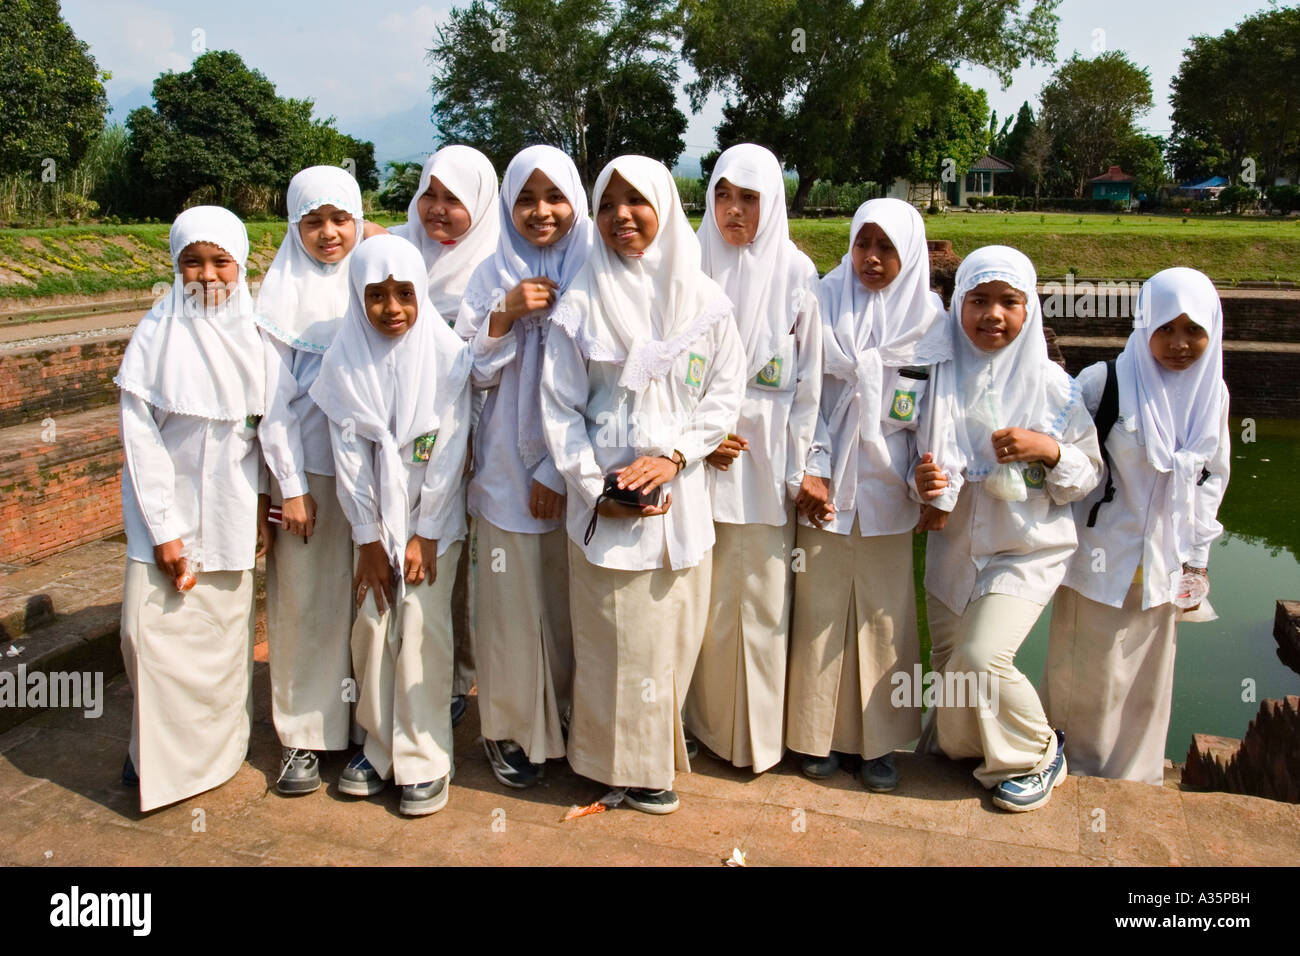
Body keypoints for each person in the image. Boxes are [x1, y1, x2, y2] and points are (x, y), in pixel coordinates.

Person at [540, 155, 746, 814]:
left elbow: (724, 393)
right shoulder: (580, 303)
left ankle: (651, 761)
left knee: (666, 641)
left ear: (664, 206)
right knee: (611, 642)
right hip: (608, 510)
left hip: (679, 509)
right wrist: (596, 485)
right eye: (608, 205)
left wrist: (678, 456)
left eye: (637, 202)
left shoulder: (705, 302)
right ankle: (617, 768)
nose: (622, 217)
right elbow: (559, 408)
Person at [915, 245, 1102, 813]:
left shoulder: (1052, 386)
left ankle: (1039, 753)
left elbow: (1086, 474)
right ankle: (978, 751)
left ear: (1029, 311)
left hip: (1025, 548)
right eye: (979, 301)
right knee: (951, 695)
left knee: (981, 658)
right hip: (952, 550)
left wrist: (1046, 449)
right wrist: (920, 481)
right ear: (958, 306)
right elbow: (909, 455)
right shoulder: (934, 374)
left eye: (1009, 302)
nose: (992, 315)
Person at [785, 198, 949, 792]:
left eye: (887, 248)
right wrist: (812, 468)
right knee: (819, 615)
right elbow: (806, 397)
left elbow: (935, 413)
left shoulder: (930, 321)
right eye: (863, 244)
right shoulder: (823, 301)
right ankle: (815, 733)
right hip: (822, 485)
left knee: (886, 620)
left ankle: (878, 743)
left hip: (888, 490)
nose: (872, 259)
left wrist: (929, 484)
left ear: (910, 253)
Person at [1043, 267, 1230, 786]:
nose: (1179, 344)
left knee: (1147, 685)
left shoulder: (1210, 393)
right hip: (1099, 561)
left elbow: (1213, 477)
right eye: (1166, 328)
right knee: (1085, 680)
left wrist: (1197, 560)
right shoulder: (1107, 381)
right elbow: (1059, 445)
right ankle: (1071, 773)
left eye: (1193, 331)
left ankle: (1134, 782)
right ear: (1144, 324)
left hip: (1163, 569)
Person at [309, 234, 471, 816]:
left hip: (434, 522)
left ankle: (425, 754)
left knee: (423, 632)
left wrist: (425, 532)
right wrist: (369, 539)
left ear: (422, 293)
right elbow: (348, 459)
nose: (392, 308)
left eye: (405, 293)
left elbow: (450, 451)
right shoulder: (344, 364)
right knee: (374, 627)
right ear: (358, 299)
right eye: (375, 296)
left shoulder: (449, 358)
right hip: (374, 525)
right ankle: (377, 746)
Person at [115, 205, 268, 812]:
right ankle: (152, 751)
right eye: (192, 263)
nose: (207, 276)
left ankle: (211, 755)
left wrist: (265, 508)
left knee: (220, 640)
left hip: (232, 512)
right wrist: (164, 527)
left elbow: (269, 431)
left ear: (241, 263)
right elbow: (140, 437)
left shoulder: (257, 334)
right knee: (146, 633)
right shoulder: (158, 333)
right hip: (162, 514)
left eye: (220, 261)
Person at [683, 143, 825, 774]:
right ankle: (698, 727)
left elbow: (809, 388)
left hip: (765, 468)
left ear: (772, 203)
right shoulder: (687, 265)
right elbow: (662, 371)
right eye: (722, 195)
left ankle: (756, 738)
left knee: (762, 606)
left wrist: (798, 470)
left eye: (748, 198)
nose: (732, 211)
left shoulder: (797, 274)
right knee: (700, 604)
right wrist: (697, 439)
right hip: (691, 467)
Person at [454, 145, 592, 788]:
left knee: (568, 609)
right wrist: (504, 314)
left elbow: (610, 379)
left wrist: (556, 470)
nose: (541, 211)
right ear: (508, 205)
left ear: (576, 201)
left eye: (554, 196)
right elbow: (469, 375)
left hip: (577, 470)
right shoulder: (489, 273)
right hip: (506, 471)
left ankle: (566, 720)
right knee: (509, 608)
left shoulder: (597, 269)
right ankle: (508, 728)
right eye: (526, 199)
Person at [255, 165, 369, 795]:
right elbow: (271, 409)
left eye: (341, 219)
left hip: (372, 476)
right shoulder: (276, 304)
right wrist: (291, 486)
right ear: (294, 226)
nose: (329, 234)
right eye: (313, 221)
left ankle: (360, 726)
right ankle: (302, 735)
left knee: (366, 598)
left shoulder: (378, 284)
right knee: (304, 602)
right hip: (310, 477)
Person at [393, 145, 501, 724]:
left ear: (480, 205)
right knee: (421, 540)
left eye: (453, 200)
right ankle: (419, 670)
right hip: (406, 427)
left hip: (480, 424)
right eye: (428, 195)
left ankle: (462, 671)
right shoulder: (397, 250)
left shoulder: (496, 260)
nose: (437, 210)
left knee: (467, 550)